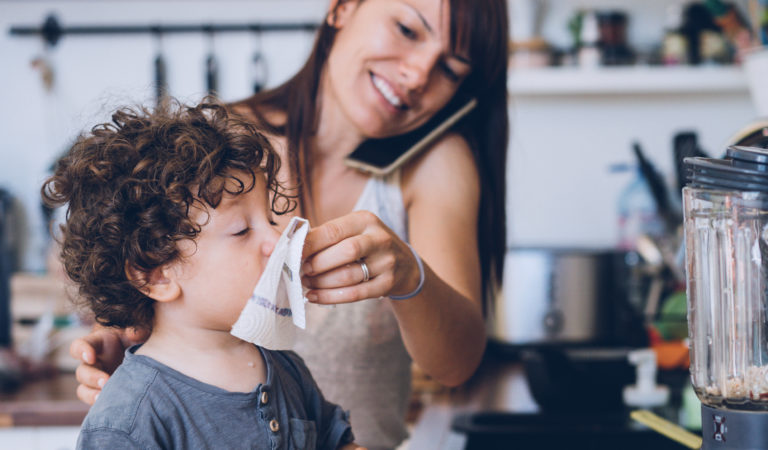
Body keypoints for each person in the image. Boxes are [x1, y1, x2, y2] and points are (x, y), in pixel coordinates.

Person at [70, 0, 509, 448]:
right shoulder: (217, 151)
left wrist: (409, 275)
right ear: (342, 7)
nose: (417, 75)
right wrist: (129, 323)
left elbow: (454, 364)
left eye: (451, 70)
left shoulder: (437, 163)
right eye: (407, 30)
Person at [44, 99, 362, 449]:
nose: (276, 240)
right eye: (242, 230)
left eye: (271, 220)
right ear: (156, 275)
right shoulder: (129, 418)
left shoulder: (286, 367)